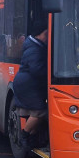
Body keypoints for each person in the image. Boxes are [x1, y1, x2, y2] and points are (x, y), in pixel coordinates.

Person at [13, 20, 49, 149]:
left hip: (29, 83)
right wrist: (52, 74)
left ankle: (32, 141)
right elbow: (37, 69)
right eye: (46, 34)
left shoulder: (35, 45)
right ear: (39, 34)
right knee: (40, 112)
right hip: (27, 85)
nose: (48, 37)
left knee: (37, 113)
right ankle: (24, 135)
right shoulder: (34, 49)